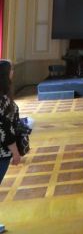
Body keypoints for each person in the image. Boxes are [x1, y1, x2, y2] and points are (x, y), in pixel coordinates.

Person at [0, 59, 21, 233]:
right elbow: (5, 129)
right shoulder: (3, 100)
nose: (13, 72)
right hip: (2, 151)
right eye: (11, 70)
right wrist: (15, 152)